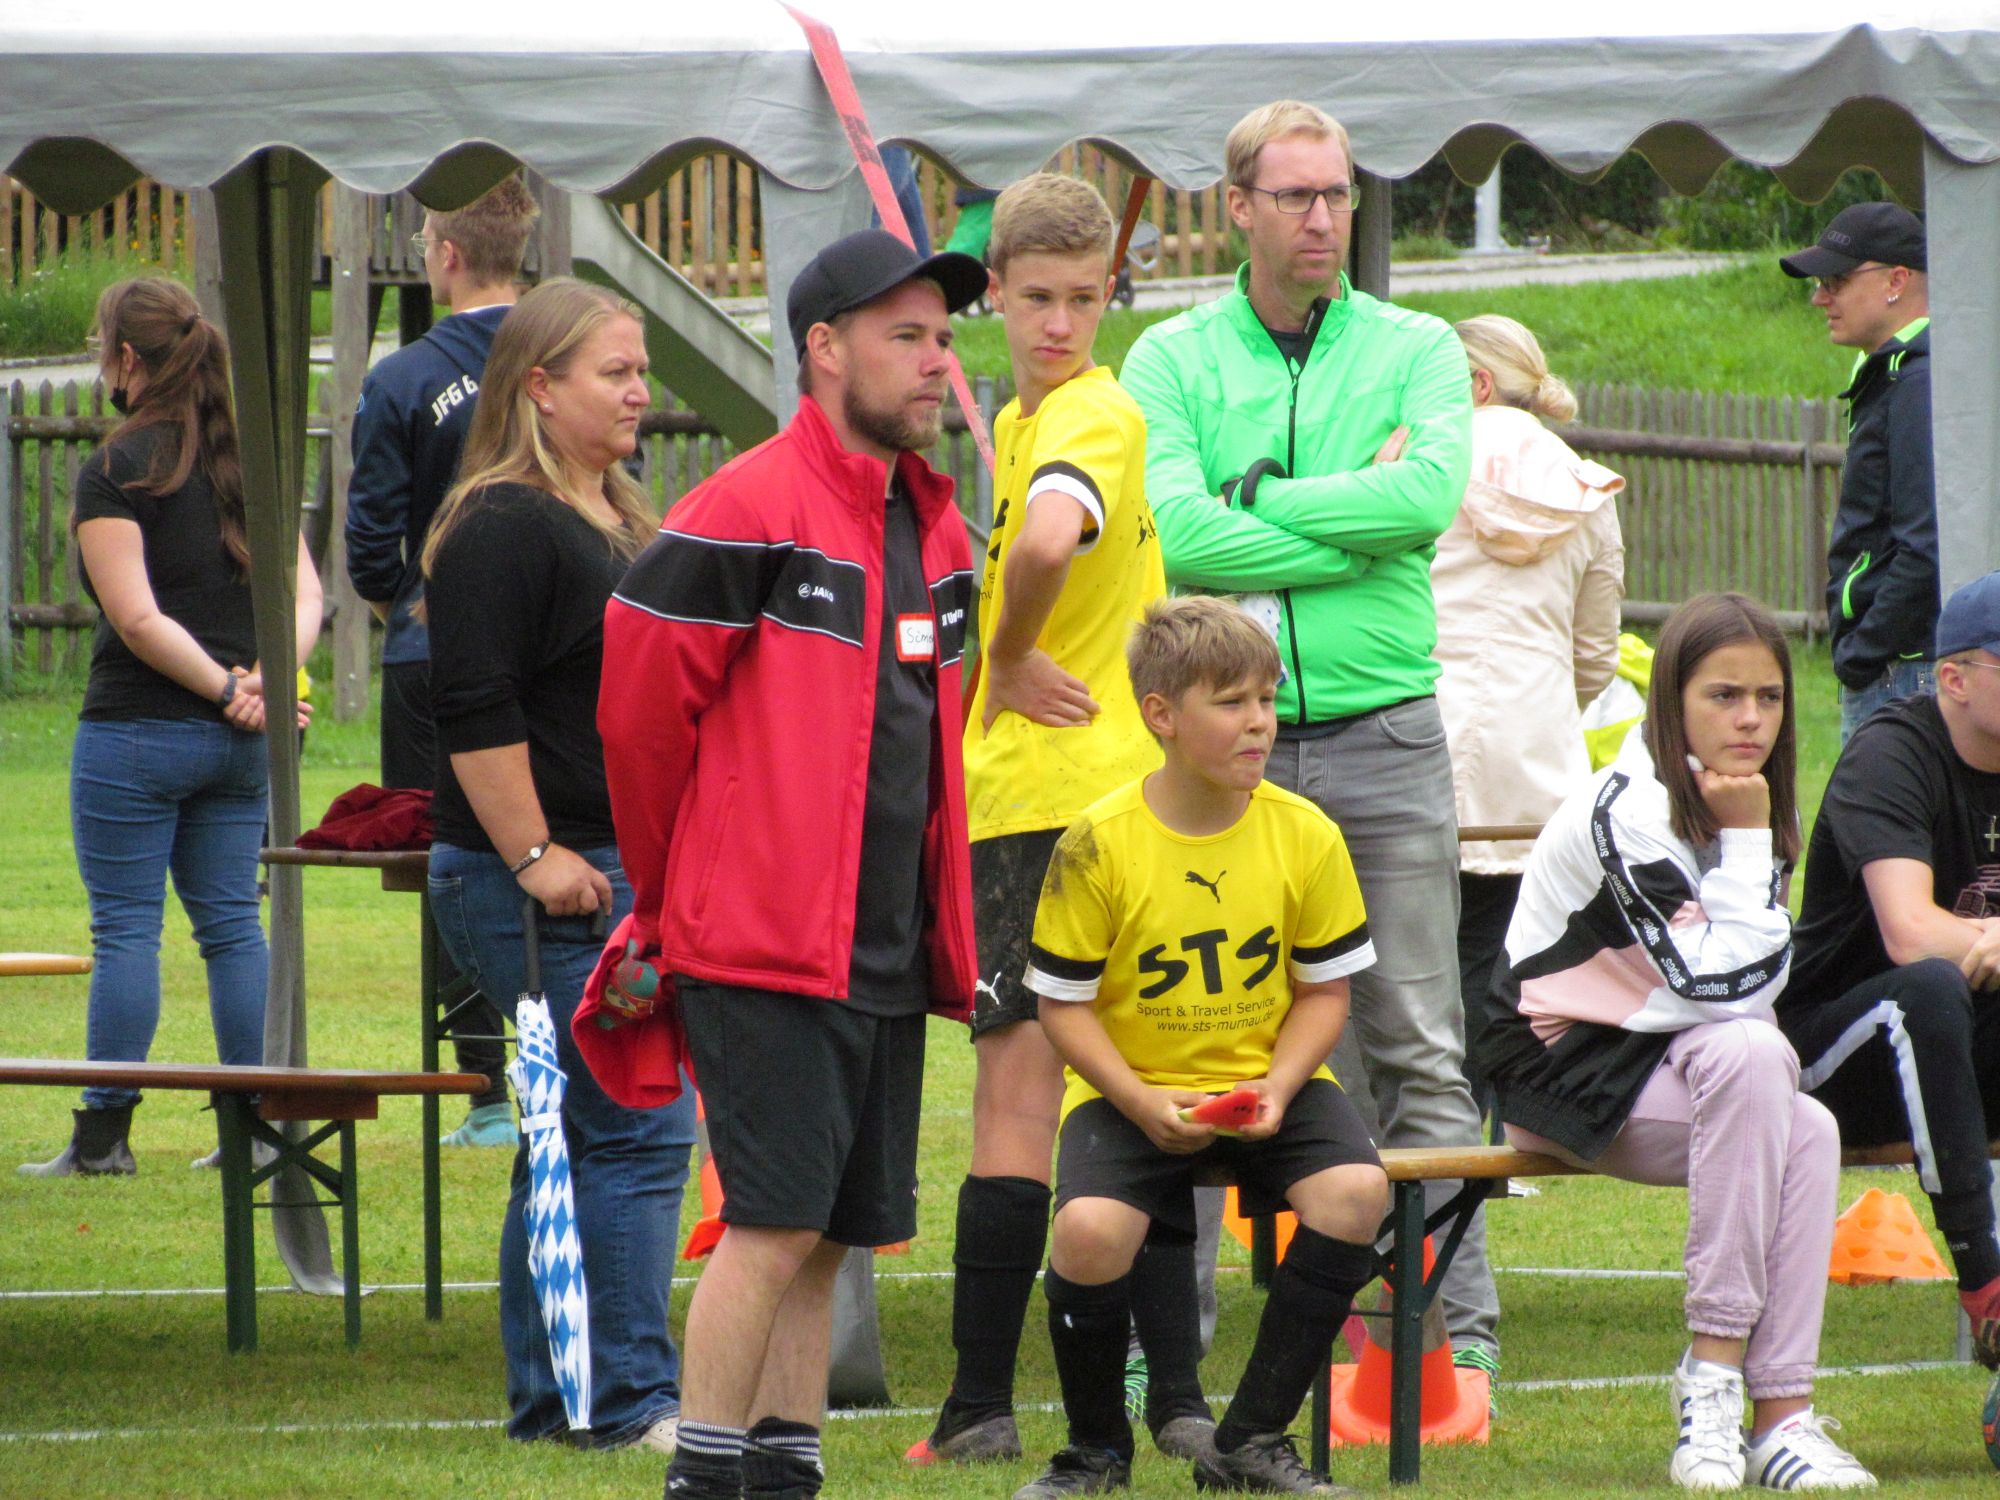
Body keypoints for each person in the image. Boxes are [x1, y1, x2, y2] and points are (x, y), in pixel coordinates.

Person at [586, 228, 987, 1500]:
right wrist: (687, 893)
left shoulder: (941, 530)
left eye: (941, 337)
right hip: (759, 944)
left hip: (882, 948)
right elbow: (637, 720)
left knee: (823, 1236)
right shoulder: (743, 507)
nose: (935, 363)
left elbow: (937, 732)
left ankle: (783, 1475)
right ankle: (703, 1478)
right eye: (904, 337)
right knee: (768, 1224)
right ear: (823, 349)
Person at [1120, 98, 1500, 1381]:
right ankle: (1175, 1359)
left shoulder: (1417, 345)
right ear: (1237, 207)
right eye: (1294, 196)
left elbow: (1425, 500)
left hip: (1383, 734)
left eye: (1336, 193)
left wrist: (1265, 502)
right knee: (1200, 1045)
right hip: (1218, 755)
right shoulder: (1168, 358)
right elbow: (1177, 533)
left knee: (1416, 1043)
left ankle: (1446, 1348)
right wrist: (1351, 528)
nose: (1322, 217)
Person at [914, 171, 1205, 1470]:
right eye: (1036, 297)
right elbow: (1039, 551)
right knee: (1132, 1095)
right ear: (995, 294)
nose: (1058, 323)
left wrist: (1009, 655)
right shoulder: (1045, 413)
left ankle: (981, 1404)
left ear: (1108, 296)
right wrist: (1016, 651)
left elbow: (1041, 546)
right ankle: (1171, 1401)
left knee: (1028, 1104)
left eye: (1083, 299)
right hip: (1098, 804)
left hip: (1052, 806)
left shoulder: (1086, 410)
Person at [1478, 593, 1876, 1491]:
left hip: (1681, 1051)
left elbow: (1747, 990)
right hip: (1563, 1065)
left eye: (1769, 697)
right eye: (1723, 696)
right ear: (1672, 701)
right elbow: (1722, 989)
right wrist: (1746, 845)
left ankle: (1781, 1420)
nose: (1751, 719)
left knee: (1806, 1122)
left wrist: (1748, 837)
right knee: (1760, 1065)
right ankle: (1713, 1376)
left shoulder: (1746, 797)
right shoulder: (1625, 810)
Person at [1015, 596, 1386, 1498]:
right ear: (1162, 715)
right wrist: (1140, 1100)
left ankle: (1249, 1442)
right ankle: (1095, 1453)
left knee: (1356, 1191)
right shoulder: (1096, 845)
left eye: (1266, 698)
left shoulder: (1307, 833)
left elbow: (1324, 994)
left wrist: (1279, 1085)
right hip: (1130, 1090)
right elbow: (1062, 1009)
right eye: (1231, 702)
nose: (1259, 721)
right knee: (1090, 1231)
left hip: (1271, 1080)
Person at [419, 278, 694, 1453]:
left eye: (639, 370)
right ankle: (626, 1402)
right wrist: (534, 854)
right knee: (634, 1124)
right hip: (542, 878)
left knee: (569, 1136)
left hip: (601, 867)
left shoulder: (611, 513)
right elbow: (471, 704)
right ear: (538, 386)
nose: (639, 391)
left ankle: (556, 1400)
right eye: (614, 373)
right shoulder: (501, 522)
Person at [22, 277, 320, 1179]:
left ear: (126, 359)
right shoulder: (249, 460)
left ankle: (103, 1138)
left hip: (139, 733)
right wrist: (263, 682)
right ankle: (255, 1130)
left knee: (125, 930)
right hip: (241, 745)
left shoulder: (116, 469)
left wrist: (230, 689)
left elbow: (138, 619)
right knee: (231, 928)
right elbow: (308, 595)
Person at [347, 175, 541, 1148]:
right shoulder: (565, 357)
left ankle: (482, 1088)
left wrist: (420, 609)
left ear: (449, 255)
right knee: (555, 846)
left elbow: (367, 544)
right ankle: (557, 1062)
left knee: (448, 859)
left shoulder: (403, 378)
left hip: (432, 661)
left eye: (426, 243)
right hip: (551, 653)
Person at [1781, 569, 2000, 1375]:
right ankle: (1988, 1291)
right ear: (1954, 679)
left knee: (1944, 995)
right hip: (1834, 1060)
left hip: (1957, 1052)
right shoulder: (1890, 754)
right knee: (1930, 988)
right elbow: (1911, 935)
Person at [1433, 314, 1623, 1106]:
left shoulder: (1418, 464)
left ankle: (1410, 1135)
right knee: (1499, 967)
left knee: (1404, 968)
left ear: (1477, 384)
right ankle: (1486, 1132)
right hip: (1536, 767)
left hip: (1414, 743)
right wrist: (1542, 703)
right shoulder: (1587, 489)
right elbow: (1596, 655)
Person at [1779, 202, 1935, 741]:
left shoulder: (1917, 381)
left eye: (1837, 281)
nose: (1820, 297)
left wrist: (1863, 652)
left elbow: (1927, 543)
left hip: (1904, 669)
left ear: (1896, 280)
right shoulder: (1896, 372)